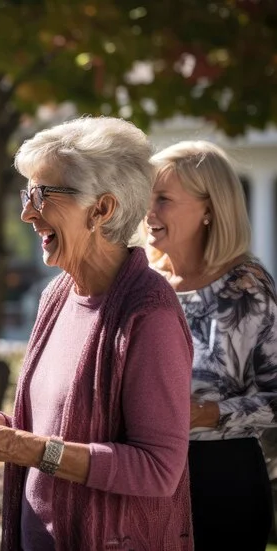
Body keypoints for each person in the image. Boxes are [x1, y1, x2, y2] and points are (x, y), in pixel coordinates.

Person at [0, 117, 195, 550]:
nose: (26, 212)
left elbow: (157, 470)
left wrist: (20, 446)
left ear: (102, 209)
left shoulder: (149, 313)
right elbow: (59, 427)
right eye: (26, 194)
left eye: (42, 195)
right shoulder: (57, 294)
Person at [145, 140, 277, 549]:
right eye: (147, 197)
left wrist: (204, 413)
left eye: (163, 199)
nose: (149, 213)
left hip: (221, 479)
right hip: (142, 475)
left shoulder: (247, 286)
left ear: (209, 209)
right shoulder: (140, 282)